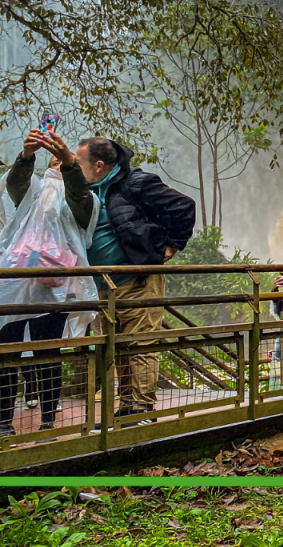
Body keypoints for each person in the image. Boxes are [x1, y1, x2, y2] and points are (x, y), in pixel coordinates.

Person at [26, 132, 196, 423]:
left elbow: (183, 206)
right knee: (119, 346)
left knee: (140, 344)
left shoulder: (135, 183)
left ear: (100, 165)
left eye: (78, 163)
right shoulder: (90, 191)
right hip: (105, 284)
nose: (75, 168)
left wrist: (170, 246)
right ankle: (127, 408)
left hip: (137, 278)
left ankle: (141, 409)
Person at [0, 148, 99, 438]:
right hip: (13, 286)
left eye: (66, 162)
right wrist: (27, 155)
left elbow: (78, 193)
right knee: (6, 355)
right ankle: (4, 422)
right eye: (53, 160)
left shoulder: (84, 200)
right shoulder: (30, 192)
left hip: (53, 289)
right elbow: (15, 183)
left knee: (47, 355)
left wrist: (68, 165)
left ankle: (48, 421)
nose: (58, 164)